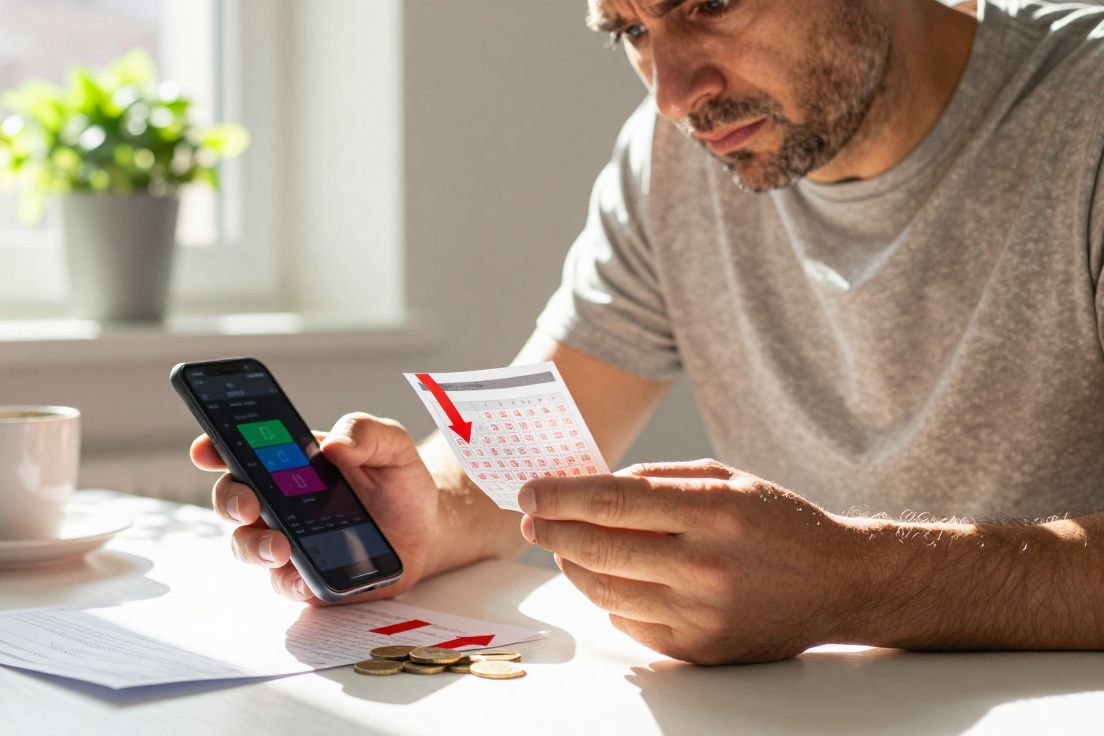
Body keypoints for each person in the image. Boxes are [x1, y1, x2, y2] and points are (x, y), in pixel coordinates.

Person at [191, 0, 1104, 665]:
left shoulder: (1087, 111)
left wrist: (858, 580)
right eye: (630, 30)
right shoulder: (677, 155)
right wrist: (427, 511)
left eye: (709, 3)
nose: (674, 95)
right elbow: (524, 455)